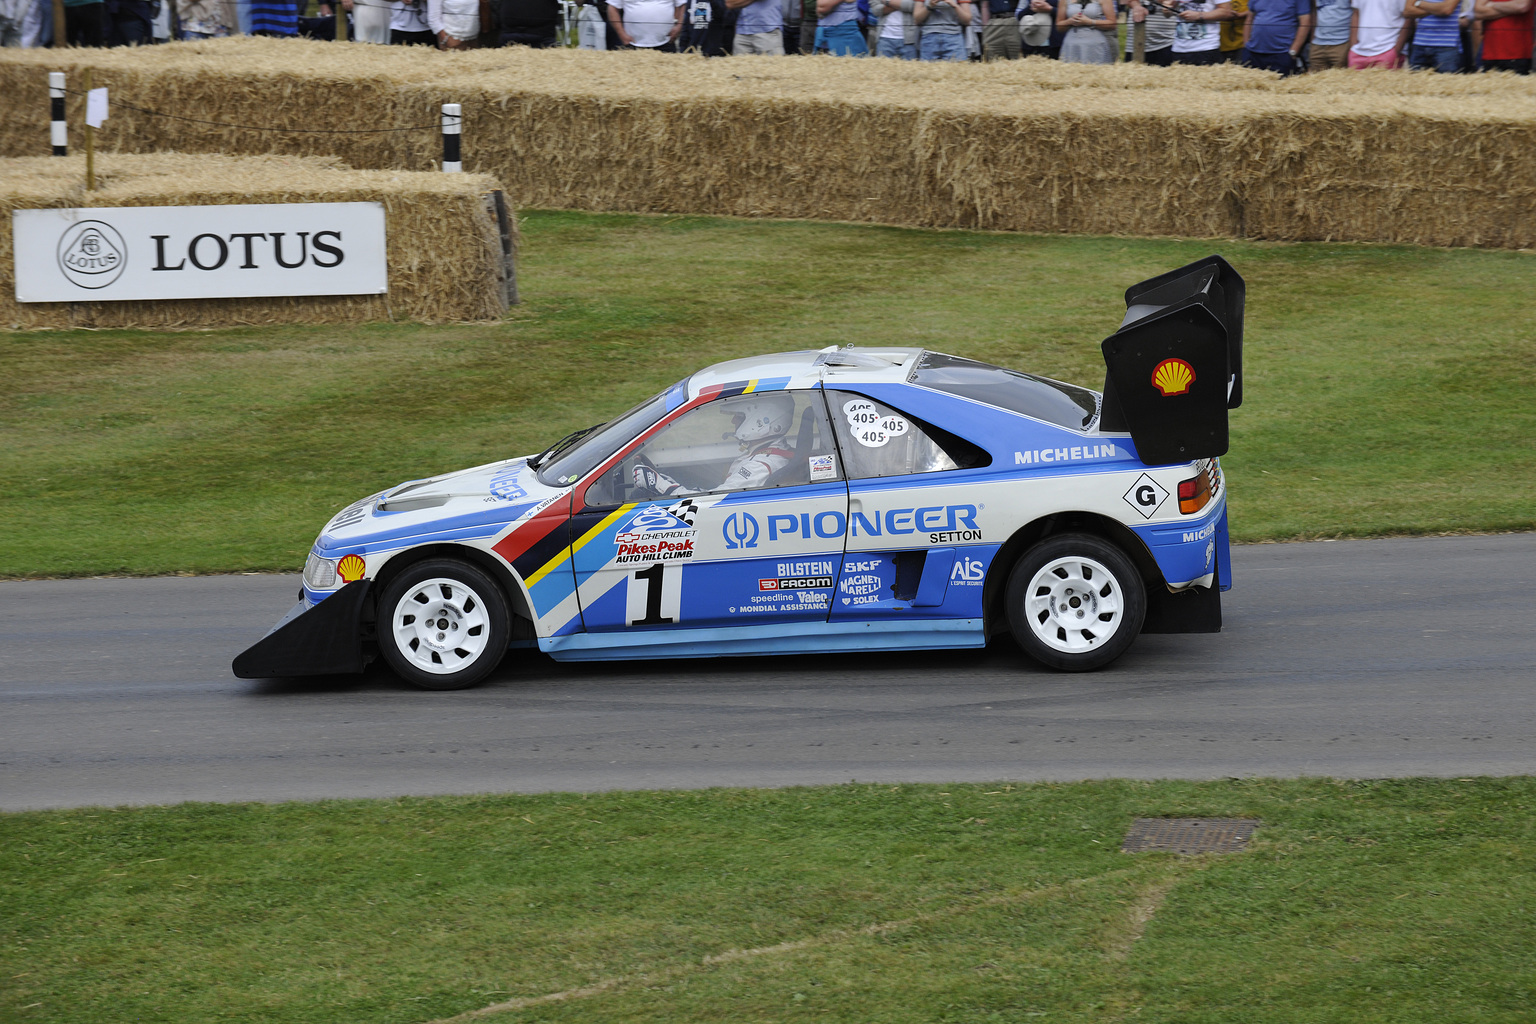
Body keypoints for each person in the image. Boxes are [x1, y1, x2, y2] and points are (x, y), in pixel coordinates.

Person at [632, 395, 798, 497]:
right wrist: (670, 484)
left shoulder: (759, 466)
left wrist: (663, 487)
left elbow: (717, 503)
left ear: (762, 422)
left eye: (739, 416)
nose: (733, 421)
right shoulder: (767, 452)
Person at [1241, 0, 1311, 72]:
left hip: (1282, 53)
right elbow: (1249, 19)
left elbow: (1305, 23)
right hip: (1253, 52)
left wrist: (1294, 51)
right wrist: (1246, 45)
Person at [1473, 0, 1532, 71]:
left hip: (1518, 53)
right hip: (1490, 52)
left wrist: (1492, 5)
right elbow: (1477, 13)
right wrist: (1510, 9)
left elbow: (1522, 6)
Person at [1404, 0, 1462, 69]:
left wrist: (1419, 3)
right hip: (1420, 44)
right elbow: (1407, 12)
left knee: (1444, 79)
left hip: (1447, 47)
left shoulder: (1420, 3)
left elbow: (1446, 9)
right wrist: (1437, 10)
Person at [1348, 0, 1408, 65]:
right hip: (1358, 52)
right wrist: (1353, 45)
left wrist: (1396, 50)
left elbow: (1409, 17)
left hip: (1387, 50)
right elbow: (1356, 13)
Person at [608, 0, 685, 48]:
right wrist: (622, 34)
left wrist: (679, 26)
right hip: (633, 44)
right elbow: (612, 8)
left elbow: (683, 5)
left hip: (666, 42)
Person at [1309, 0, 1354, 67]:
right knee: (1316, 76)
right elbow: (1314, 12)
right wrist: (1312, 39)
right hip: (1317, 44)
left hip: (1342, 43)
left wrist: (1352, 45)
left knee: (1341, 76)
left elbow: (1356, 13)